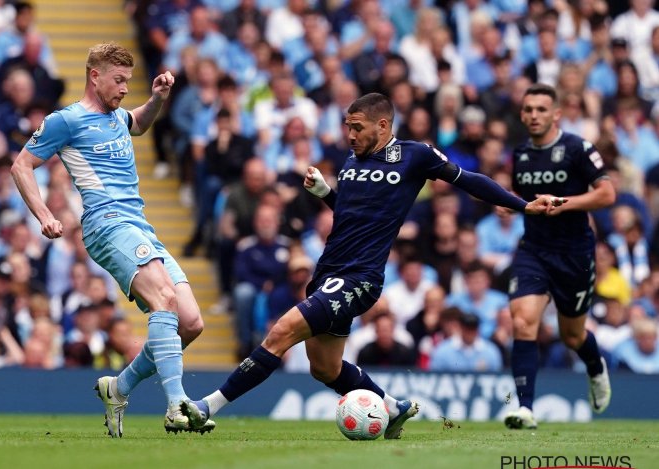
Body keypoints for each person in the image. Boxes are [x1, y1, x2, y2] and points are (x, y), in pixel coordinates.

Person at [180, 92, 558, 438]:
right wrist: (326, 193)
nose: (350, 135)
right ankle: (392, 408)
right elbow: (349, 215)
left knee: (281, 331)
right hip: (328, 272)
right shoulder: (350, 161)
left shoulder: (415, 156)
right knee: (325, 368)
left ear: (383, 125)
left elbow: (470, 181)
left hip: (360, 278)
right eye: (347, 127)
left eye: (357, 127)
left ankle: (207, 406)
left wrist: (523, 205)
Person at [10, 42, 209, 437]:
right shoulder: (66, 120)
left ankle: (118, 388)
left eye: (128, 82)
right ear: (94, 76)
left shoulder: (118, 117)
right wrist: (46, 215)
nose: (123, 89)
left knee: (191, 322)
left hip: (138, 224)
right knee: (164, 301)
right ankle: (177, 405)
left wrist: (156, 99)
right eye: (118, 81)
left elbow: (140, 123)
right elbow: (21, 166)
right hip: (106, 224)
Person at [504, 83, 616, 430]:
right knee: (523, 320)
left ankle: (595, 365)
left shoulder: (577, 148)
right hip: (533, 249)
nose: (534, 115)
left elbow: (607, 194)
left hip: (574, 254)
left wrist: (563, 203)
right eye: (528, 110)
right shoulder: (520, 154)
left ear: (556, 114)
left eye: (541, 109)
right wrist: (510, 205)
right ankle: (525, 409)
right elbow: (525, 200)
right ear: (522, 114)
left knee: (572, 336)